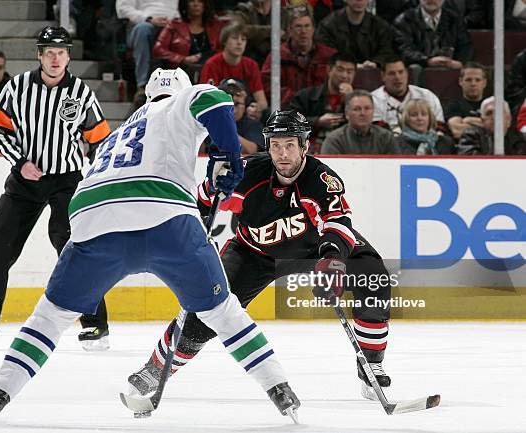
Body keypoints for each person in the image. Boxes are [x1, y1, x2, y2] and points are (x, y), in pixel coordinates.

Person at [0, 68, 300, 423]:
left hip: (93, 220)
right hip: (164, 215)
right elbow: (215, 99)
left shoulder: (121, 130)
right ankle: (279, 388)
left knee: (49, 317)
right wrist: (228, 153)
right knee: (222, 312)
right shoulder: (178, 104)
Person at [126, 109, 393, 403]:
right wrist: (192, 226)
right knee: (209, 309)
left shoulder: (322, 179)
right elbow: (199, 201)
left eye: (290, 144)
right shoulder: (246, 173)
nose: (282, 153)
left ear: (305, 145)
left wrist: (331, 260)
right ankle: (156, 369)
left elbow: (338, 223)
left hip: (314, 249)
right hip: (254, 253)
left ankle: (370, 365)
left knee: (373, 274)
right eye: (275, 145)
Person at [0, 27, 113, 351]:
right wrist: (21, 162)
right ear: (39, 56)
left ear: (69, 55)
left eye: (61, 52)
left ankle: (96, 326)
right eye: (49, 52)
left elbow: (100, 138)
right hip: (24, 180)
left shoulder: (80, 92)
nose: (55, 58)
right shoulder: (17, 87)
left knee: (76, 249)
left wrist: (96, 178)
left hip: (66, 180)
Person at [261, 5, 336, 108]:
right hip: (289, 108)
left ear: (313, 29)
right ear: (289, 31)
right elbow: (267, 85)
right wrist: (296, 98)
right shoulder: (277, 56)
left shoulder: (328, 55)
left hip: (320, 108)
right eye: (298, 26)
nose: (303, 31)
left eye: (307, 26)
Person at [200, 20, 267, 119]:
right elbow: (206, 100)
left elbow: (262, 102)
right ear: (224, 41)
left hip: (245, 115)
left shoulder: (252, 65)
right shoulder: (212, 65)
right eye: (235, 38)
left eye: (243, 39)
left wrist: (255, 109)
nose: (239, 42)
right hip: (219, 115)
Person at [289, 53, 356, 147]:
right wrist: (317, 122)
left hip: (346, 148)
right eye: (340, 70)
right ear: (329, 70)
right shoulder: (305, 96)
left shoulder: (359, 99)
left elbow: (364, 127)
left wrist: (350, 101)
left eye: (349, 72)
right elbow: (290, 123)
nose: (344, 76)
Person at [116, 0, 180, 100]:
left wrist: (174, 20)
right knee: (142, 30)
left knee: (185, 32)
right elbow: (123, 9)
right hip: (145, 23)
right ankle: (142, 85)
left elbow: (185, 6)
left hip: (174, 24)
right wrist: (148, 19)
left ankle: (180, 86)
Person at [392, 0, 473, 72]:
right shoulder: (404, 20)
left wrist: (460, 62)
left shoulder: (455, 19)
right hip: (420, 67)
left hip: (450, 67)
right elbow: (404, 50)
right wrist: (427, 61)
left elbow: (466, 46)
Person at [371, 57, 444, 134]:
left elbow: (439, 125)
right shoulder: (373, 99)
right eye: (392, 73)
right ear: (383, 76)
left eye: (401, 72)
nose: (397, 77)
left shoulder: (426, 95)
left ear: (407, 73)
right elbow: (377, 131)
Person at [316, 0, 395, 69]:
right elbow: (325, 54)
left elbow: (386, 51)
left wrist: (376, 63)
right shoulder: (328, 25)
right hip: (339, 73)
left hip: (371, 75)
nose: (359, 0)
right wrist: (350, 65)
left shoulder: (380, 26)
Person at [152, 0, 225, 73]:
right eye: (191, 0)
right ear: (185, 4)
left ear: (205, 5)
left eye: (200, 1)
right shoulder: (174, 25)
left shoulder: (216, 25)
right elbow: (158, 49)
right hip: (181, 73)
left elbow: (224, 50)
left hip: (211, 71)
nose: (196, 4)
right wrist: (182, 59)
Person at [321, 90, 401, 154]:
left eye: (367, 108)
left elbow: (394, 169)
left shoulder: (386, 138)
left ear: (373, 111)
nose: (363, 113)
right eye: (357, 109)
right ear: (347, 114)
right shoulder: (334, 140)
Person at [457, 96, 526, 155]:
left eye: (499, 112)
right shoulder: (471, 136)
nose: (494, 117)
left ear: (509, 119)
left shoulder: (521, 139)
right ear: (482, 121)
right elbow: (470, 164)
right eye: (489, 113)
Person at [217, 77, 264, 153]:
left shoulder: (253, 124)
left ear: (245, 104)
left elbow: (253, 150)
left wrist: (228, 131)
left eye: (236, 104)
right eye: (228, 104)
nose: (232, 109)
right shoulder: (210, 121)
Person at [444, 62, 487, 140]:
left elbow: (497, 129)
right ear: (460, 81)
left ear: (484, 83)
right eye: (468, 80)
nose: (473, 84)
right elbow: (457, 131)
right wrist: (483, 124)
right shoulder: (453, 106)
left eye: (477, 80)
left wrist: (467, 120)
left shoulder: (492, 105)